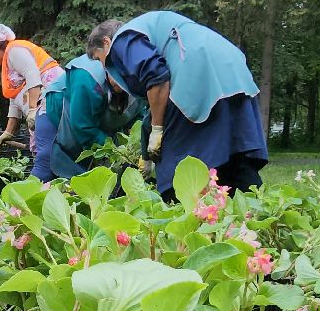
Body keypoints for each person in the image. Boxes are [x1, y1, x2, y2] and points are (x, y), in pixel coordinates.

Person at [91, 11, 268, 199]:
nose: (103, 67)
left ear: (106, 42)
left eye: (98, 58)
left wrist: (157, 130)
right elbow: (155, 104)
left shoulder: (122, 39)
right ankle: (257, 212)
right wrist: (146, 154)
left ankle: (181, 217)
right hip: (231, 66)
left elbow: (156, 77)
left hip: (196, 68)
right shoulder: (152, 29)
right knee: (233, 157)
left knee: (175, 169)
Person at [36, 21, 142, 181]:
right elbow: (82, 126)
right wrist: (114, 150)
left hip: (91, 126)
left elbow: (140, 120)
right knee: (46, 165)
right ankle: (17, 205)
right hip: (55, 115)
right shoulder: (88, 75)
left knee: (88, 178)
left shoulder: (141, 78)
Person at [0, 24, 64, 182]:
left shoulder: (14, 51)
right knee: (45, 152)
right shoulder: (7, 66)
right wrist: (8, 132)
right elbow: (14, 99)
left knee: (46, 153)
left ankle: (35, 188)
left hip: (52, 99)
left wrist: (32, 109)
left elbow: (32, 73)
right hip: (42, 108)